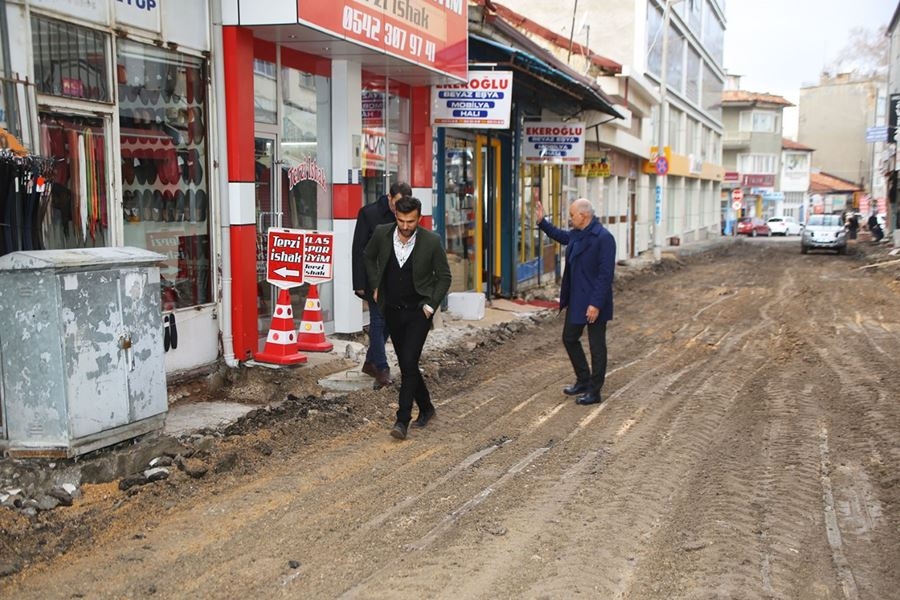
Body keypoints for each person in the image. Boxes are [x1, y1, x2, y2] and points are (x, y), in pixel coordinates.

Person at [364, 196, 452, 440]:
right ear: (396, 217)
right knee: (407, 364)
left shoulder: (431, 242)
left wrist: (430, 305)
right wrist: (375, 284)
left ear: (419, 218)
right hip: (392, 310)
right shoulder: (382, 234)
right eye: (401, 220)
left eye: (410, 221)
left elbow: (444, 277)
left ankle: (402, 420)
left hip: (418, 313)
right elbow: (368, 256)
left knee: (409, 361)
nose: (405, 226)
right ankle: (426, 407)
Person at [535, 198, 616, 406]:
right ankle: (583, 379)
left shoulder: (604, 238)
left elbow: (605, 275)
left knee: (597, 346)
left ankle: (594, 391)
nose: (570, 219)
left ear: (584, 215)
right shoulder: (578, 234)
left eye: (572, 215)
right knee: (569, 338)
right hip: (578, 299)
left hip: (595, 302)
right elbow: (562, 236)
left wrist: (595, 304)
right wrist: (542, 222)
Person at [352, 181, 412, 389]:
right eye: (396, 203)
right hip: (373, 278)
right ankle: (381, 368)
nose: (399, 209)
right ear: (389, 197)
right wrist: (359, 282)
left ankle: (369, 362)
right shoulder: (368, 214)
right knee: (378, 320)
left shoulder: (406, 216)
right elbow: (358, 249)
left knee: (388, 322)